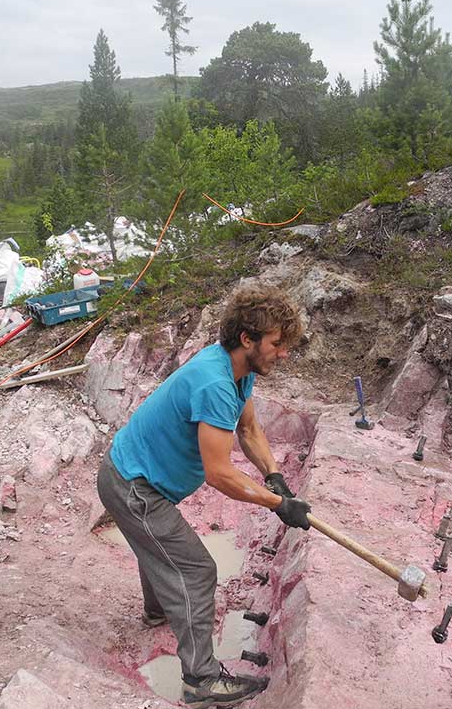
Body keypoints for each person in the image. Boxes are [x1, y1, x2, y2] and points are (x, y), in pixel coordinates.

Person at [97, 284, 311, 708]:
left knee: (161, 548)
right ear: (247, 339)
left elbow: (249, 429)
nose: (284, 353)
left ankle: (159, 611)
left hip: (134, 477)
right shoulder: (214, 383)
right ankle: (201, 681)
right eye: (276, 344)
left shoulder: (237, 370)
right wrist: (278, 505)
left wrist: (275, 478)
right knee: (196, 572)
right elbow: (219, 474)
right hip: (134, 487)